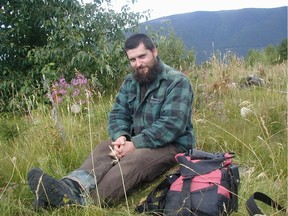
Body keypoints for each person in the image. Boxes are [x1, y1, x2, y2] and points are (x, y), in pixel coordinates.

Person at [27, 33, 195, 210]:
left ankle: (83, 203)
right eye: (132, 59)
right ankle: (70, 186)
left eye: (142, 56)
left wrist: (135, 144)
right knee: (104, 148)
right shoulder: (131, 82)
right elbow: (117, 114)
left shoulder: (176, 82)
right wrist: (121, 136)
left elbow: (171, 125)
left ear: (154, 52)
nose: (138, 64)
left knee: (136, 158)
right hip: (137, 140)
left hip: (173, 146)